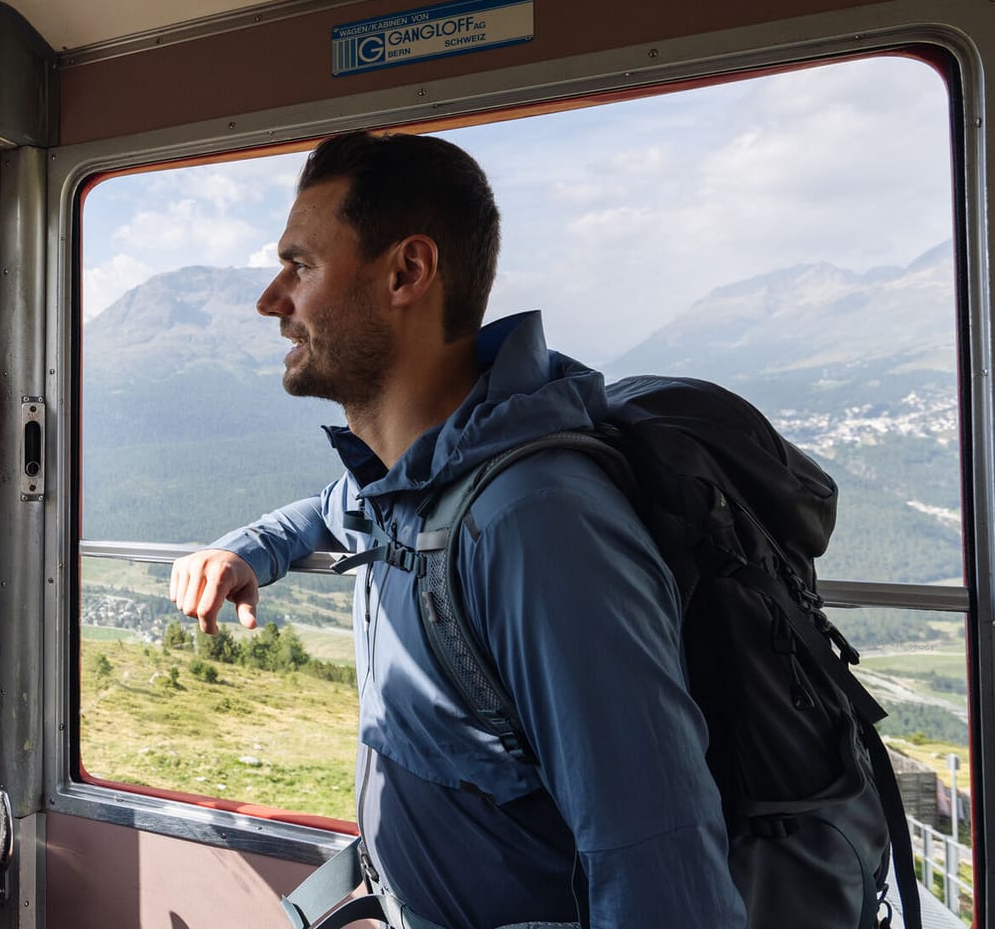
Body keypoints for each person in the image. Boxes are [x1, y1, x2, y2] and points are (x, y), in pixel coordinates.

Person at [168, 133, 746, 928]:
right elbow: (329, 510)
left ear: (407, 272)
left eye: (300, 266)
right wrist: (247, 548)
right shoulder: (424, 470)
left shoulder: (536, 526)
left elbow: (667, 890)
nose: (273, 300)